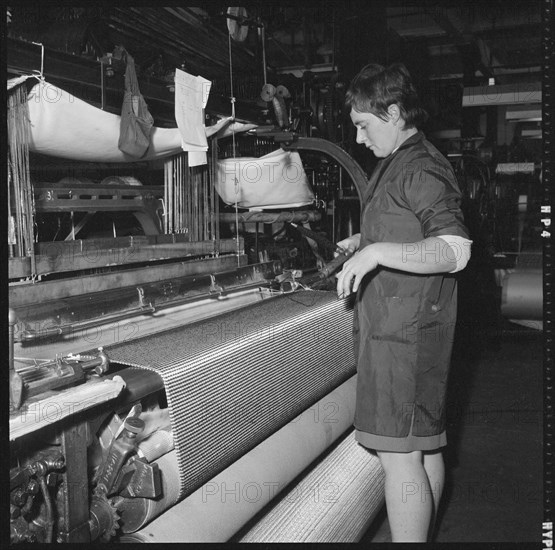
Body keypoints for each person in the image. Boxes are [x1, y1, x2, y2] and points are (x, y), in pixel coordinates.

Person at [336, 63, 471, 543]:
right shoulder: (399, 161)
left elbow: (455, 250)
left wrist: (377, 252)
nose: (358, 137)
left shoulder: (421, 166)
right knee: (425, 450)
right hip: (409, 334)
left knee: (401, 458)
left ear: (393, 112)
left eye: (363, 124)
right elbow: (408, 225)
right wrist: (364, 239)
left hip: (406, 339)